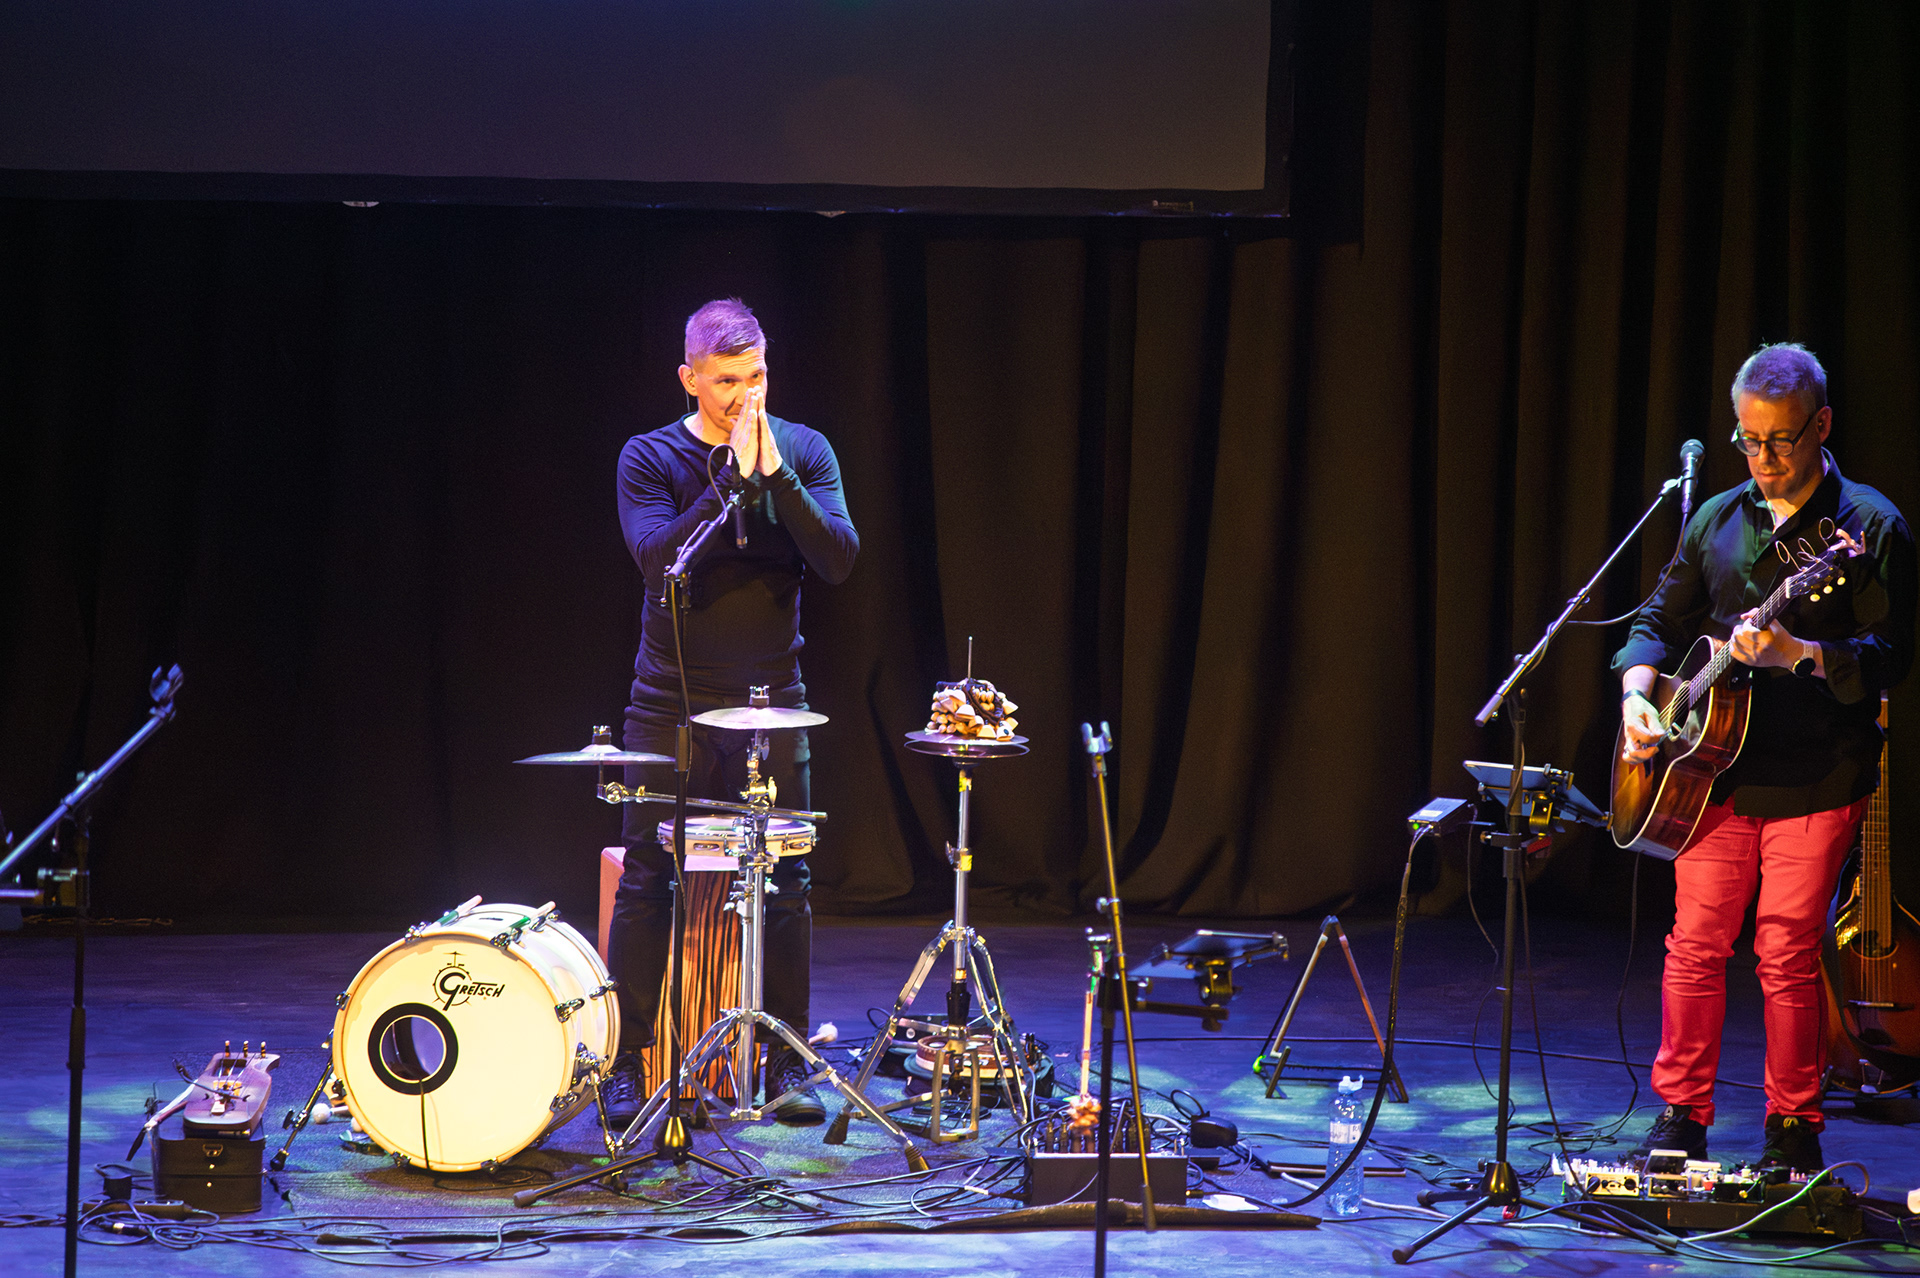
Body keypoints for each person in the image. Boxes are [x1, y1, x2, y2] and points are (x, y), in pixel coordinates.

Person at [1616, 342, 1915, 1171]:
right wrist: (1639, 695)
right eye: (1749, 440)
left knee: (1785, 953)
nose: (1765, 458)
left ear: (1822, 425)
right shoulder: (1717, 516)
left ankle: (1793, 1128)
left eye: (1781, 439)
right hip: (1710, 773)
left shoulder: (1870, 526)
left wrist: (1800, 656)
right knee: (1695, 944)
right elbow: (1655, 622)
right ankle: (1682, 1115)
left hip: (1816, 772)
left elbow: (1892, 658)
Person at [600, 298, 859, 1126]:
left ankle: (784, 1062)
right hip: (668, 704)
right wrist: (730, 480)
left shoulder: (804, 450)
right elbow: (657, 559)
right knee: (649, 879)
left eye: (756, 378)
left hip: (773, 703)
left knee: (786, 880)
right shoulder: (650, 456)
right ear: (690, 378)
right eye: (725, 382)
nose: (744, 397)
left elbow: (839, 558)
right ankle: (626, 1062)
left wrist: (774, 475)